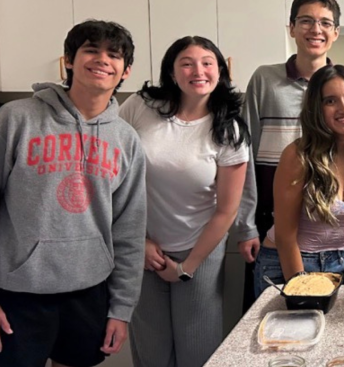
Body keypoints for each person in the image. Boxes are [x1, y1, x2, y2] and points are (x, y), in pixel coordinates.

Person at [0, 20, 147, 367]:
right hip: (19, 291)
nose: (102, 60)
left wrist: (122, 309)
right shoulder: (15, 119)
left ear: (126, 71)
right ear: (68, 59)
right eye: (91, 50)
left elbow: (129, 229)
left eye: (114, 55)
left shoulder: (126, 140)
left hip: (90, 290)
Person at [120, 36, 249, 367]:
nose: (198, 70)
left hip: (200, 249)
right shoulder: (139, 106)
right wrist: (140, 241)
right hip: (142, 247)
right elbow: (113, 179)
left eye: (207, 62)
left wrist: (187, 268)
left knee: (199, 352)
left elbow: (226, 210)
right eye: (187, 63)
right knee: (151, 352)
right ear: (171, 71)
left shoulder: (229, 129)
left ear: (221, 70)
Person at [241, 0, 341, 309]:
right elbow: (243, 153)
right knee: (268, 317)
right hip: (268, 223)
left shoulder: (341, 87)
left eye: (325, 23)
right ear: (291, 28)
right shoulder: (265, 80)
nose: (316, 29)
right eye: (306, 21)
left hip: (323, 227)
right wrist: (245, 225)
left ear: (335, 33)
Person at [253, 65, 344, 295]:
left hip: (341, 263)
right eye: (330, 101)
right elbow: (286, 238)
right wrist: (302, 292)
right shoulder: (297, 156)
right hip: (284, 263)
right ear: (316, 110)